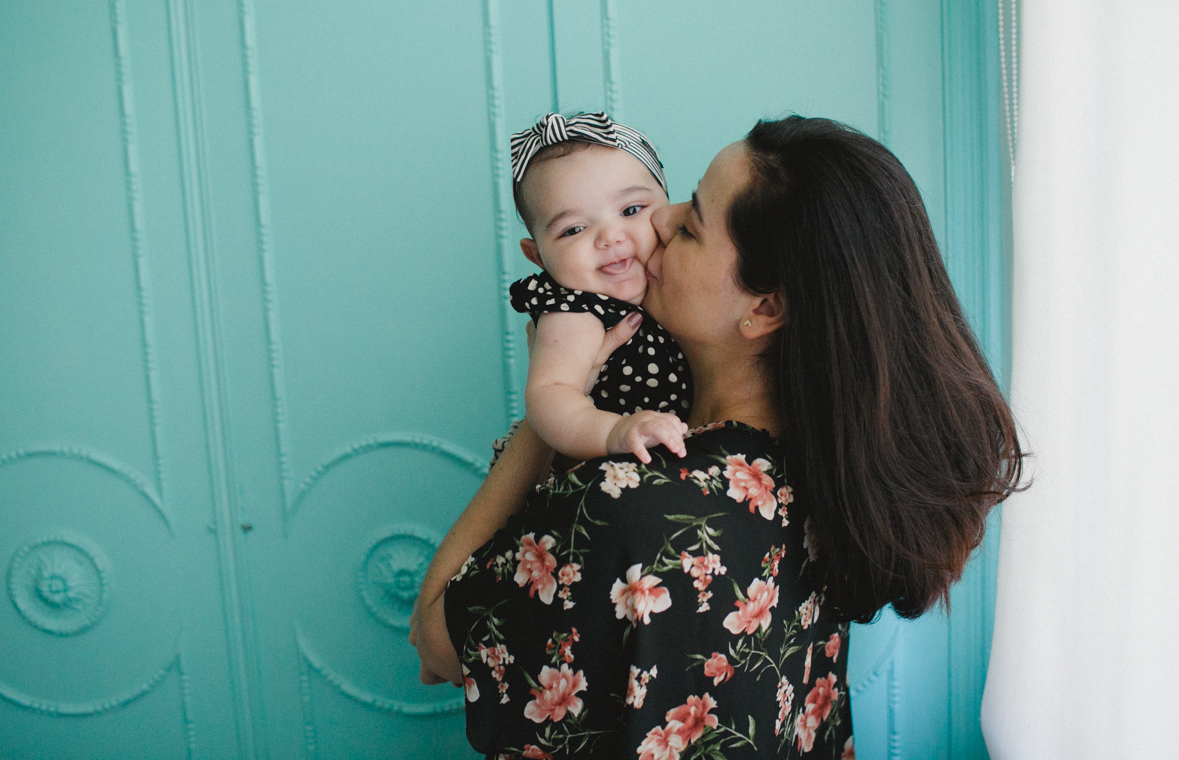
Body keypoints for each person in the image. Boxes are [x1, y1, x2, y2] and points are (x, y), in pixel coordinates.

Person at [411, 116, 1023, 759]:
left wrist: (552, 409)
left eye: (694, 222)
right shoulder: (825, 470)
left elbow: (434, 629)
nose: (662, 220)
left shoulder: (631, 502)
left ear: (765, 308)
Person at [509, 111, 691, 464]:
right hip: (597, 475)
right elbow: (550, 394)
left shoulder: (677, 281)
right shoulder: (577, 310)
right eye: (574, 229)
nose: (609, 237)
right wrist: (612, 432)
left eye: (631, 209)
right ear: (538, 258)